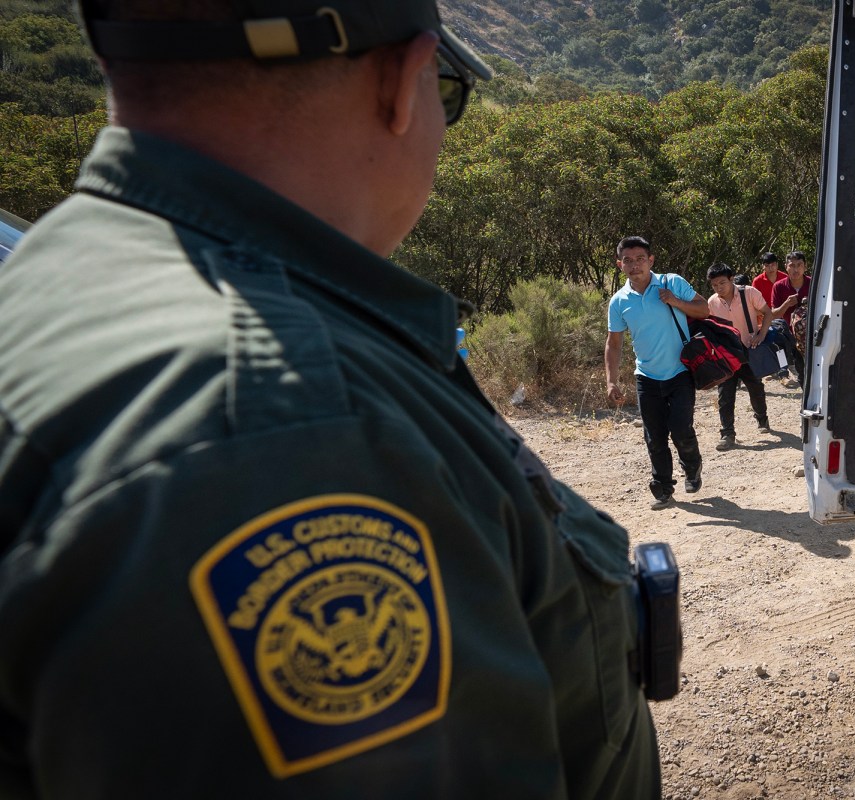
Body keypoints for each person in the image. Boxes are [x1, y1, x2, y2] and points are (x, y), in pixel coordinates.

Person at [0, 2, 661, 797]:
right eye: (447, 92)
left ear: (113, 63)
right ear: (404, 83)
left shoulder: (51, 281)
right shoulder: (290, 425)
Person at [605, 235, 710, 509]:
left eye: (640, 259)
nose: (635, 265)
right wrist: (610, 381)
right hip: (646, 376)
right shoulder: (618, 302)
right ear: (620, 264)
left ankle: (692, 466)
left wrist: (675, 301)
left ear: (651, 260)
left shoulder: (671, 282)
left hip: (680, 372)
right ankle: (663, 487)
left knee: (680, 428)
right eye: (628, 260)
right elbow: (613, 343)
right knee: (654, 435)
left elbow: (704, 308)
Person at [706, 262, 774, 451]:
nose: (719, 288)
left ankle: (762, 418)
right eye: (714, 285)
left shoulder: (749, 293)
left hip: (749, 350)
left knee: (756, 388)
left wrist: (761, 334)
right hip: (726, 355)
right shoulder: (712, 302)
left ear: (731, 279)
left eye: (722, 283)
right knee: (725, 395)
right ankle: (727, 434)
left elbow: (767, 313)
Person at [771, 250, 812, 389]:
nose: (796, 269)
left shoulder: (814, 284)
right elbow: (774, 314)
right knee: (800, 369)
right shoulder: (779, 286)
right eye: (792, 265)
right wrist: (786, 304)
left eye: (799, 265)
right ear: (786, 266)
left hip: (813, 334)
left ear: (805, 266)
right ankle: (785, 375)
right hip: (790, 335)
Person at [752, 252, 788, 381]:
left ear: (777, 265)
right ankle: (771, 369)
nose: (770, 268)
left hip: (782, 317)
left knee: (781, 344)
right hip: (763, 317)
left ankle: (784, 371)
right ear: (763, 266)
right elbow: (754, 303)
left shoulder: (785, 278)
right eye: (767, 265)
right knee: (766, 343)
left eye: (773, 265)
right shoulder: (757, 281)